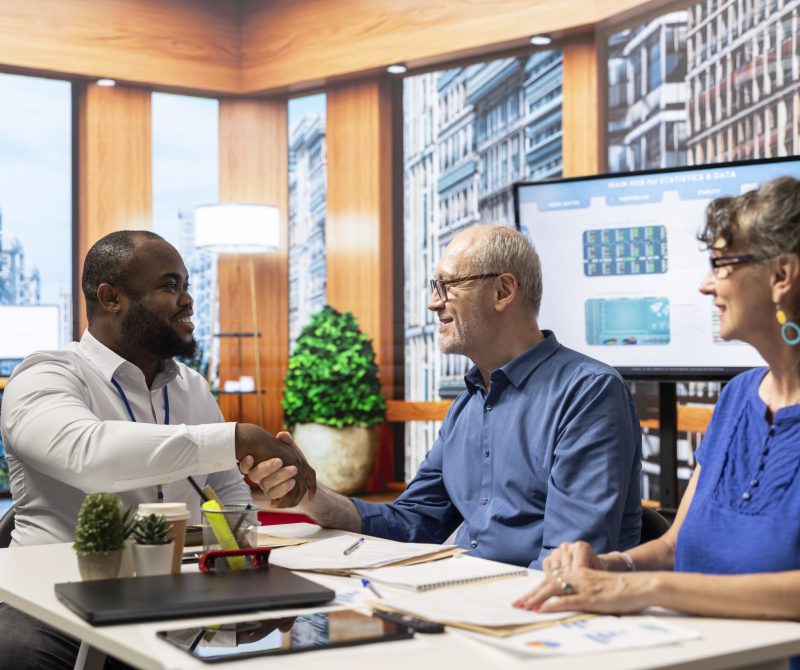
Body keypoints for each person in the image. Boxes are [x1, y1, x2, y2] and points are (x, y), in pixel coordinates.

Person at [513, 177, 800, 670]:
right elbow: (672, 548)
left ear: (782, 275)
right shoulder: (736, 398)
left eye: (721, 265)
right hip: (689, 652)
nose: (706, 284)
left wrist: (641, 588)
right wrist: (608, 566)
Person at [0, 230, 314, 669]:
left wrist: (240, 595)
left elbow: (227, 496)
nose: (187, 300)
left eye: (186, 285)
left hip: (169, 611)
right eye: (170, 286)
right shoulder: (44, 375)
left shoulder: (192, 388)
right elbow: (88, 456)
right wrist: (234, 438)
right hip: (51, 614)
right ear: (111, 298)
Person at [248, 224, 642, 568]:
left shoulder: (588, 393)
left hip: (538, 612)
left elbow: (569, 562)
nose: (433, 302)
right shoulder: (467, 406)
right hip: (471, 599)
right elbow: (413, 523)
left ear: (503, 291)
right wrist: (310, 493)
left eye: (447, 285)